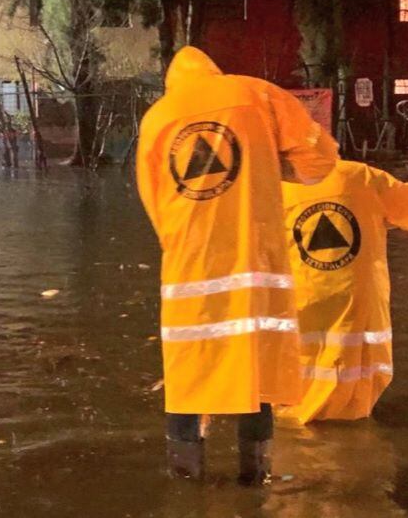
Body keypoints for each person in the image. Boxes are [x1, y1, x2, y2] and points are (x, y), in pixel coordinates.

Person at [136, 46, 339, 485]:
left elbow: (156, 206)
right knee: (256, 372)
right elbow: (319, 161)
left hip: (189, 269)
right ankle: (255, 477)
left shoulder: (157, 118)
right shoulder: (256, 94)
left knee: (187, 373)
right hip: (255, 261)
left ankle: (187, 479)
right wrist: (269, 165)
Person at [281, 160, 408, 424]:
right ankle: (346, 419)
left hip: (303, 294)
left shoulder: (276, 185)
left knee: (299, 375)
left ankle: (299, 425)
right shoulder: (362, 176)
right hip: (358, 296)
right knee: (357, 375)